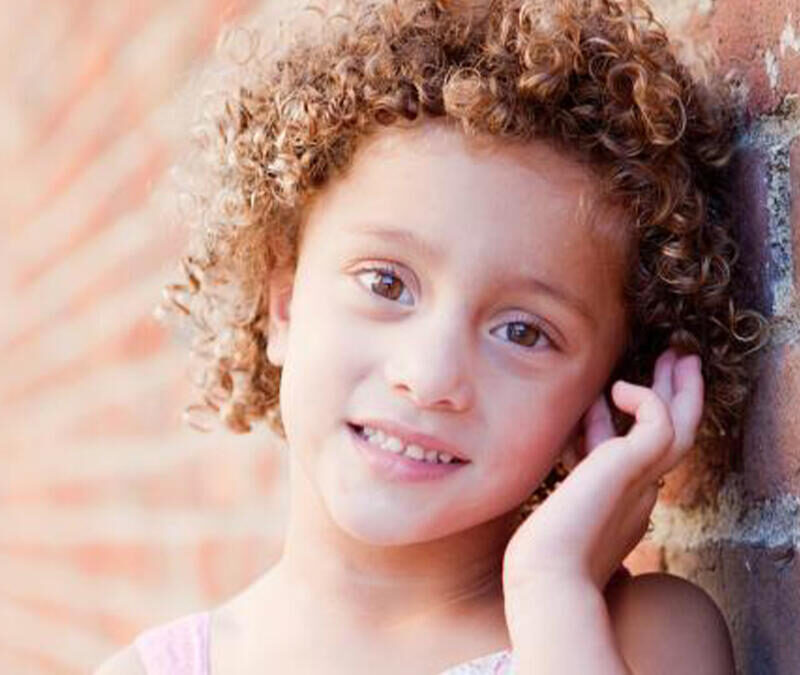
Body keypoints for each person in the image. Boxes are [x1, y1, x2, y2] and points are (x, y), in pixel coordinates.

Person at [95, 0, 768, 672]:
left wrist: (550, 590)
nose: (430, 374)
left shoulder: (637, 636)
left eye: (523, 331)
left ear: (605, 394)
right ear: (284, 304)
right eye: (386, 284)